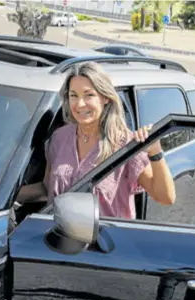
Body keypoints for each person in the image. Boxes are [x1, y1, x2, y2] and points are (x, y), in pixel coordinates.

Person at [17, 61, 176, 219]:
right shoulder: (59, 138)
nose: (80, 104)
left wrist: (155, 151)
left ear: (105, 97)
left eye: (89, 95)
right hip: (58, 239)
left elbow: (165, 198)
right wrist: (2, 194)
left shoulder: (126, 144)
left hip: (107, 241)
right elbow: (47, 188)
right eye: (74, 95)